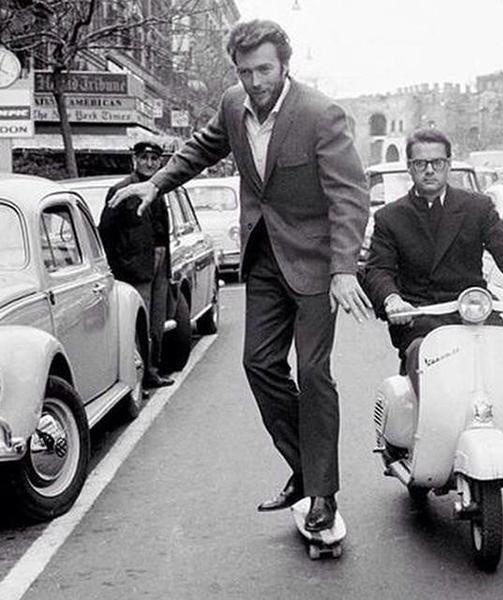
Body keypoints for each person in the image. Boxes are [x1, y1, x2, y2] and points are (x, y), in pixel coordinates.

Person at [107, 20, 371, 531]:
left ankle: (322, 494)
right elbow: (204, 147)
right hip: (265, 259)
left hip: (316, 264)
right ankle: (305, 467)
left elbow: (349, 196)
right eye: (246, 71)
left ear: (284, 65)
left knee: (314, 375)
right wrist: (156, 185)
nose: (255, 82)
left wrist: (343, 269)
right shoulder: (232, 104)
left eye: (264, 70)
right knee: (259, 365)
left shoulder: (320, 114)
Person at [364, 128, 503, 531]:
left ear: (449, 164)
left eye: (438, 162)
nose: (429, 170)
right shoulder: (390, 217)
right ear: (409, 167)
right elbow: (377, 269)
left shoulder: (477, 208)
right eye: (420, 163)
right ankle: (425, 456)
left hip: (474, 314)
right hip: (422, 320)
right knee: (428, 377)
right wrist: (392, 300)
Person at [98, 141, 174, 389]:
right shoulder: (122, 190)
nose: (149, 163)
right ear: (135, 160)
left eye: (154, 159)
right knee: (139, 321)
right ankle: (137, 376)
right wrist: (120, 265)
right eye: (144, 158)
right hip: (135, 266)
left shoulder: (159, 189)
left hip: (160, 262)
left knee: (157, 321)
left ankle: (153, 370)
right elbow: (106, 232)